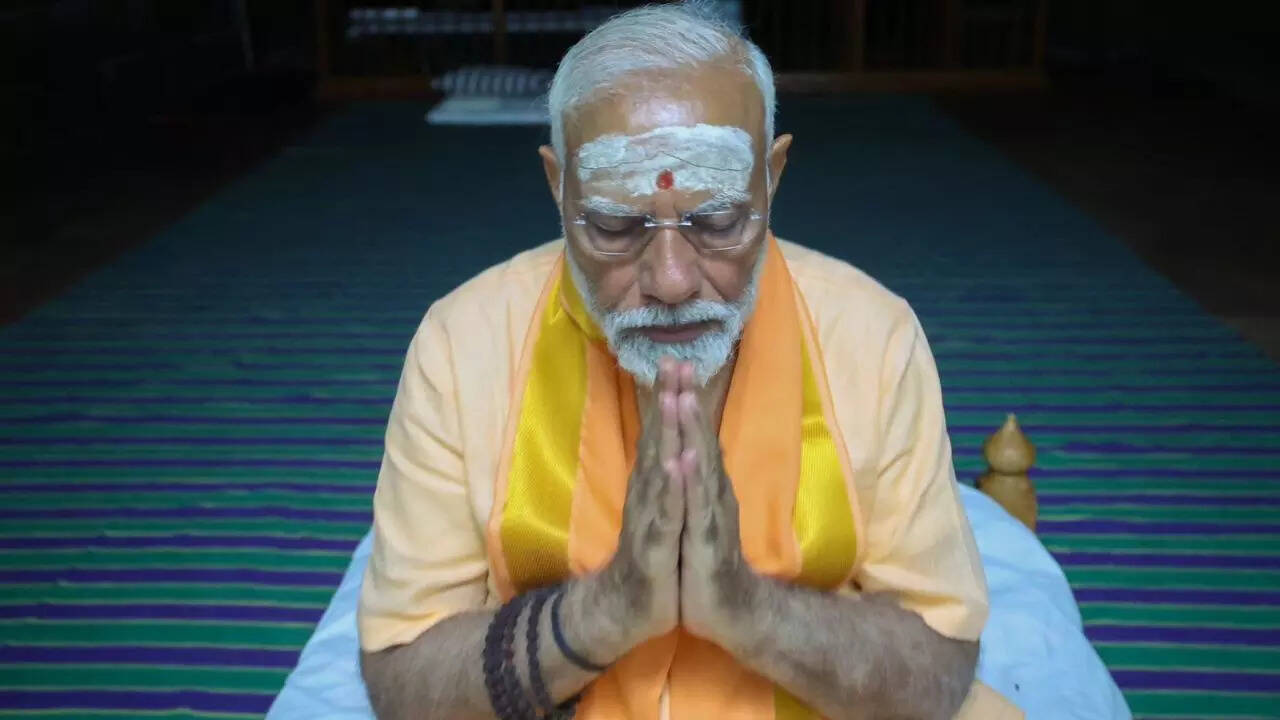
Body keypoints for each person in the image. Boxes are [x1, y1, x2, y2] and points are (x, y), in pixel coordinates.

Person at [357, 4, 1021, 718]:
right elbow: (402, 674)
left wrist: (747, 608)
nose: (671, 281)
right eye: (615, 225)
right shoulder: (463, 343)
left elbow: (940, 662)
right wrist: (604, 611)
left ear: (772, 176)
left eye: (718, 221)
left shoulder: (872, 336)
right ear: (559, 186)